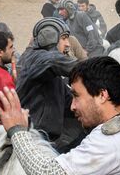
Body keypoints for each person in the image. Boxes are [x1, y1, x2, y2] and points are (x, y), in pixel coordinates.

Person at [15, 18, 81, 151]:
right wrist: (103, 70)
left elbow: (67, 101)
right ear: (49, 37)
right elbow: (56, 61)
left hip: (47, 138)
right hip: (34, 140)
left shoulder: (51, 72)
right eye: (64, 38)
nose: (68, 44)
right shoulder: (37, 58)